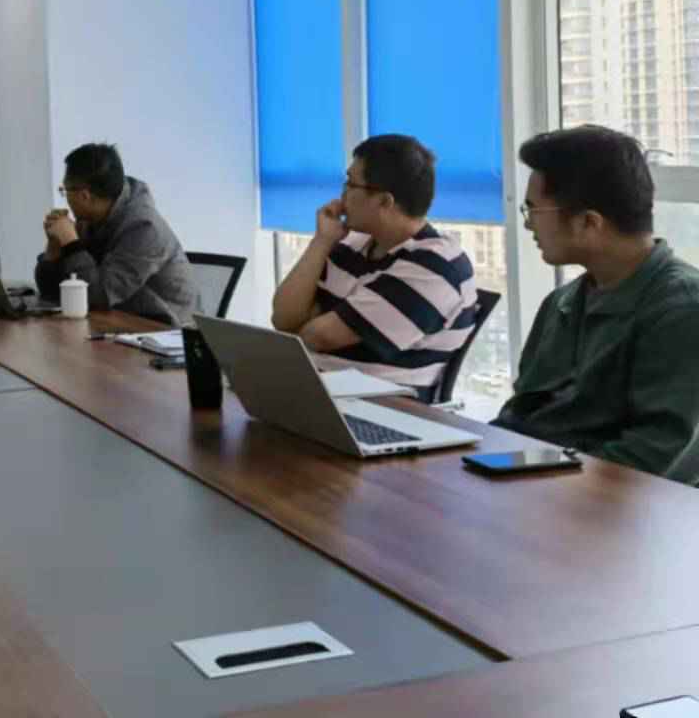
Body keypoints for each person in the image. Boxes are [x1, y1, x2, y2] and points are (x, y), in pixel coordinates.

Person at [494, 126, 699, 480]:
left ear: (589, 222)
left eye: (534, 211)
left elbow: (654, 453)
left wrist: (538, 484)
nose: (528, 226)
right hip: (537, 484)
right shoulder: (561, 303)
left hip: (607, 503)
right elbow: (520, 416)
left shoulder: (682, 308)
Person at [271, 135, 479, 389]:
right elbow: (284, 319)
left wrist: (309, 321)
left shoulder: (436, 266)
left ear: (384, 201)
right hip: (318, 387)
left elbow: (319, 337)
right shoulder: (352, 245)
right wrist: (322, 241)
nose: (342, 194)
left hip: (383, 403)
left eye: (351, 184)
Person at [35, 143, 197, 326]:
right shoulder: (89, 220)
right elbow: (52, 292)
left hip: (165, 330)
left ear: (84, 196)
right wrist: (54, 250)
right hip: (118, 322)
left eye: (65, 191)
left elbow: (98, 296)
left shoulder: (144, 228)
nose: (65, 197)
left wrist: (71, 244)